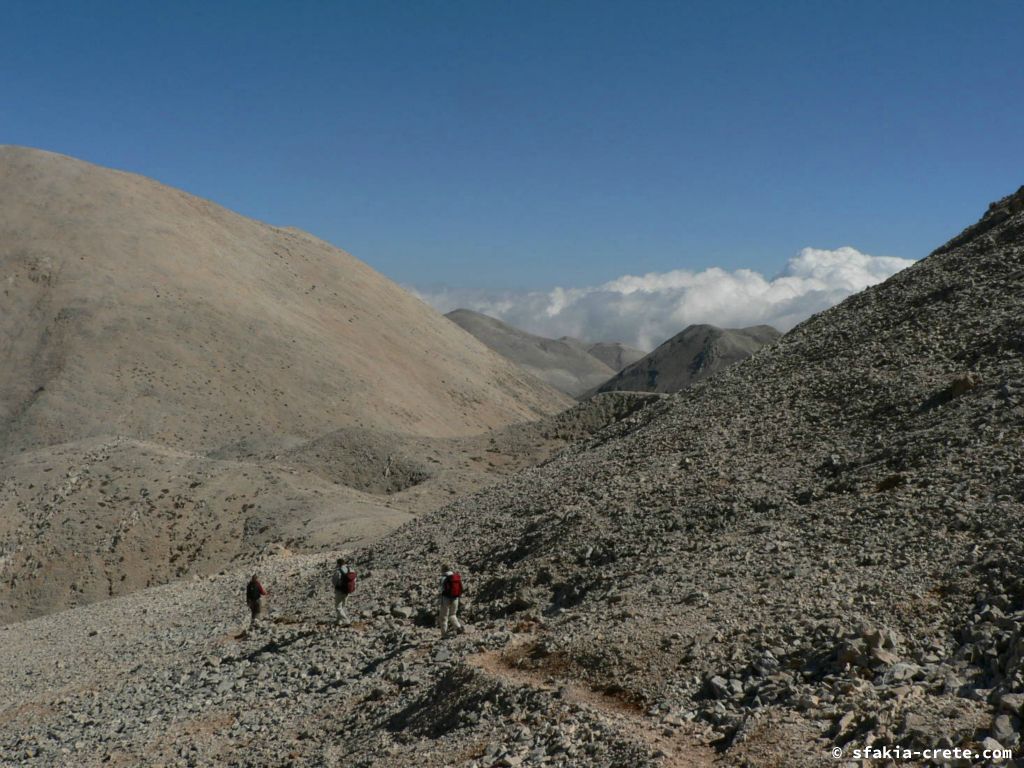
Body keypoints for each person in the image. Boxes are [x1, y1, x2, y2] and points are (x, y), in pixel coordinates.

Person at [438, 566, 464, 635]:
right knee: (453, 614)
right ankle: (458, 627)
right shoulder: (456, 577)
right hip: (455, 598)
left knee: (444, 617)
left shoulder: (443, 578)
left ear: (443, 570)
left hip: (446, 598)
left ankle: (444, 634)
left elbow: (441, 589)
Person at [331, 559, 356, 625]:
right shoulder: (350, 569)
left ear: (338, 564)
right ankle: (339, 621)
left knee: (338, 607)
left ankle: (346, 620)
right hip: (347, 591)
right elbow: (354, 579)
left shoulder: (338, 571)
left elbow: (334, 582)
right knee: (343, 606)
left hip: (339, 591)